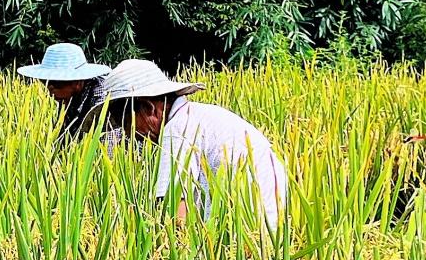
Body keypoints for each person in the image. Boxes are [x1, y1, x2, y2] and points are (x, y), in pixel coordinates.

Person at [96, 60, 288, 231]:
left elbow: (175, 217)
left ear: (149, 109)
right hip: (271, 231)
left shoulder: (177, 129)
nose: (131, 135)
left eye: (128, 125)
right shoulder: (202, 116)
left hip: (246, 238)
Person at [17, 42, 112, 140]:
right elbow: (63, 137)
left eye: (56, 83)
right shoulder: (68, 98)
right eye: (45, 82)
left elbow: (107, 146)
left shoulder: (102, 99)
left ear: (78, 82)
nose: (50, 89)